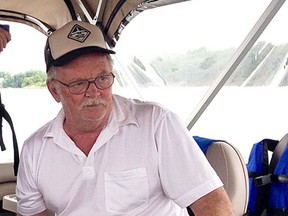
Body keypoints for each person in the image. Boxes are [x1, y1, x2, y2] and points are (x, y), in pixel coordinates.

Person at [16, 20, 235, 216]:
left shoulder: (156, 124)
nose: (94, 93)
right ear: (54, 91)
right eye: (78, 84)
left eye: (102, 78)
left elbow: (213, 205)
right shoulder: (35, 150)